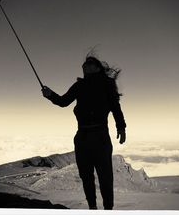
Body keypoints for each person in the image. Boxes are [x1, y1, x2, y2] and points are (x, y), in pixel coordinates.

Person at [41, 54, 126, 210]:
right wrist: (50, 95)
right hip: (83, 137)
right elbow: (63, 101)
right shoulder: (79, 85)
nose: (84, 66)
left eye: (89, 63)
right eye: (84, 64)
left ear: (97, 67)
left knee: (105, 177)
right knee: (86, 176)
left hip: (99, 136)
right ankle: (92, 209)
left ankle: (108, 210)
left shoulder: (107, 84)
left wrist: (121, 127)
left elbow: (115, 107)